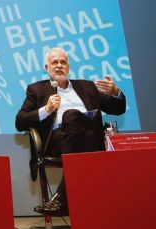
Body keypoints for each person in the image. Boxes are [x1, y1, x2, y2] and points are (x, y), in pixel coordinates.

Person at [15, 47, 126, 216]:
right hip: (58, 141)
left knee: (86, 124)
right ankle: (92, 210)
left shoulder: (87, 86)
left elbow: (118, 109)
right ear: (47, 67)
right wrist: (46, 109)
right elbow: (20, 121)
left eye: (63, 62)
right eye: (55, 62)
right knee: (72, 115)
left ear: (68, 66)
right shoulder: (36, 89)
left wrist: (116, 93)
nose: (59, 65)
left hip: (91, 139)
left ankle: (61, 198)